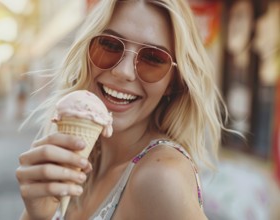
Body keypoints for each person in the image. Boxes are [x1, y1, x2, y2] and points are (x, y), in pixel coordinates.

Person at [16, 0, 231, 219]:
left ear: (173, 83)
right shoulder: (80, 161)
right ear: (87, 52)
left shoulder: (162, 177)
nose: (123, 72)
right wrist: (36, 215)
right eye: (109, 45)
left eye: (153, 58)